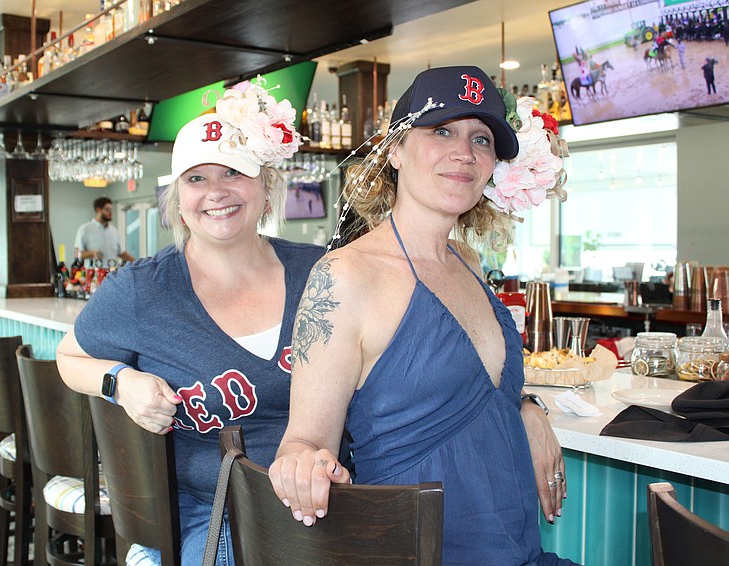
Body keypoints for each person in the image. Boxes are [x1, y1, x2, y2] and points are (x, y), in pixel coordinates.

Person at [269, 66, 576, 565]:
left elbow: (480, 388)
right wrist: (301, 466)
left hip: (517, 549)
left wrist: (528, 407)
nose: (464, 152)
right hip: (416, 553)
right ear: (395, 150)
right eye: (442, 131)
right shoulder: (345, 276)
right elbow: (304, 440)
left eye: (481, 138)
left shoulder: (469, 265)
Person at [56, 80, 322, 565]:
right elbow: (68, 356)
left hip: (327, 495)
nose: (215, 192)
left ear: (266, 187)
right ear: (177, 200)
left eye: (233, 172)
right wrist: (121, 381)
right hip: (214, 509)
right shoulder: (141, 289)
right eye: (196, 179)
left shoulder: (321, 272)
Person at [73, 197, 135, 264]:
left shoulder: (114, 230)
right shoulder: (84, 229)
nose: (110, 212)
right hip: (94, 273)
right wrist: (92, 253)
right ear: (98, 210)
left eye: (111, 209)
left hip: (113, 271)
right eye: (107, 209)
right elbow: (77, 254)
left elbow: (120, 252)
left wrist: (137, 262)